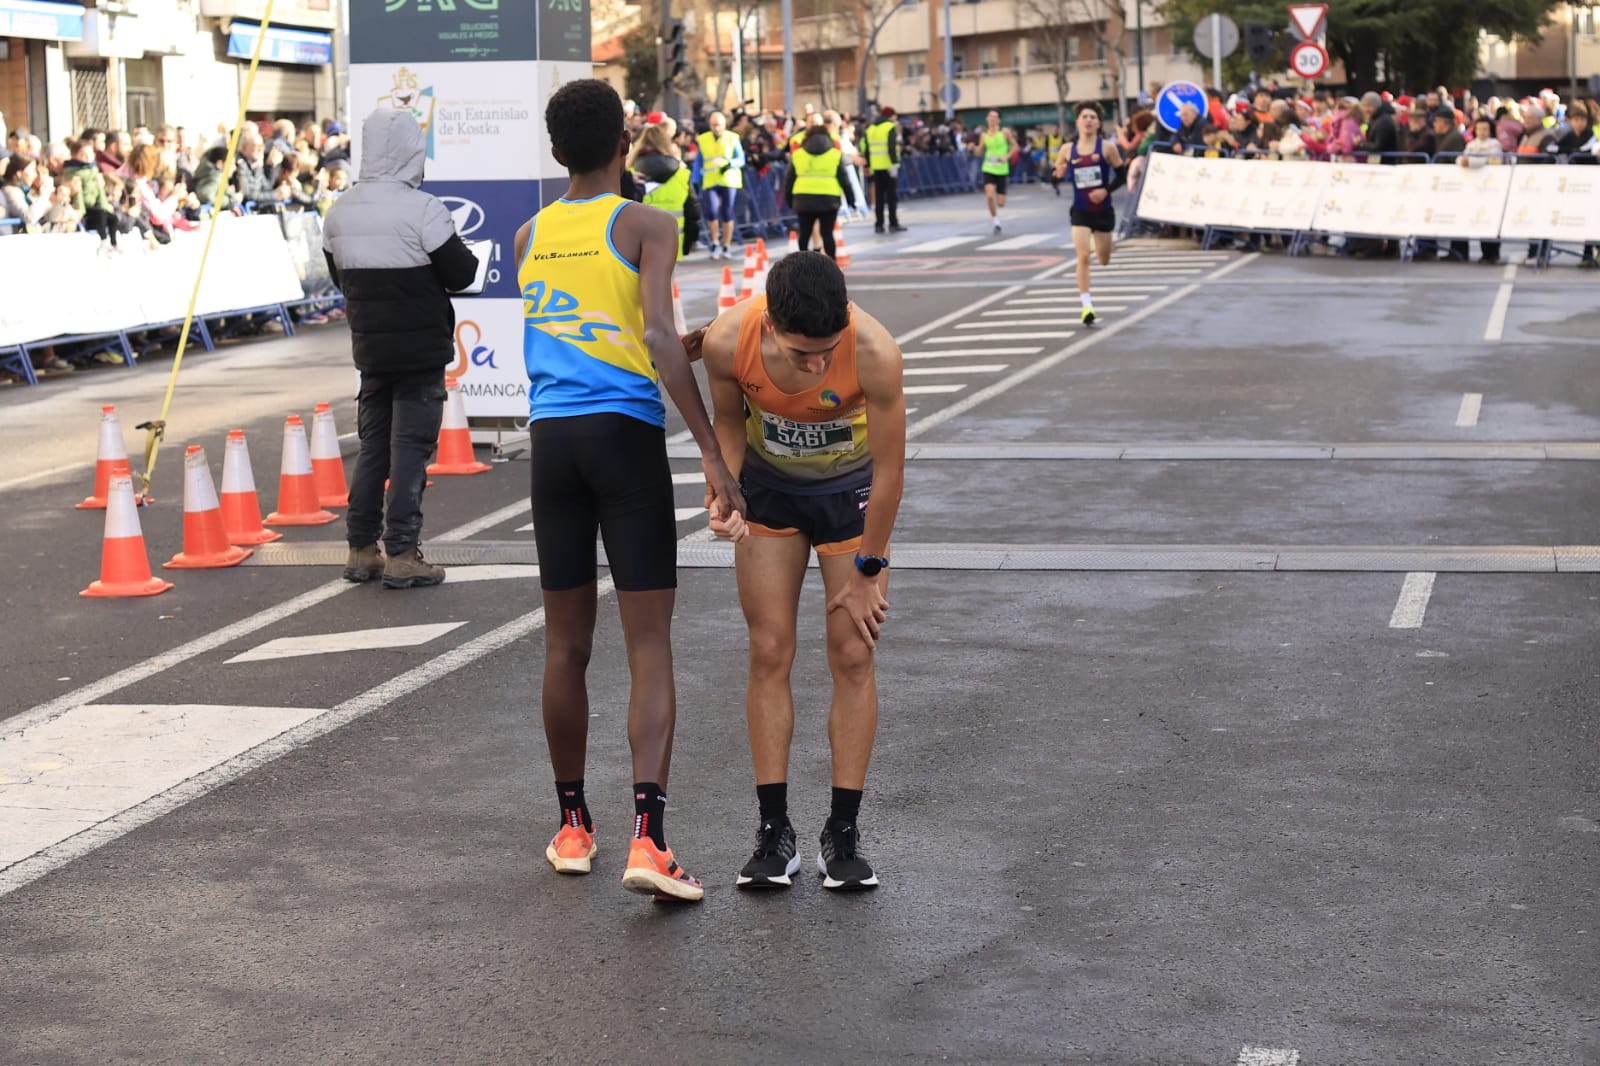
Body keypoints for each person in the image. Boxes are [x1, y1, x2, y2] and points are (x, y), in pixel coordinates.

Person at [514, 79, 744, 903]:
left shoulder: (527, 233)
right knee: (648, 643)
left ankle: (572, 825)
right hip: (624, 440)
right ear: (627, 142)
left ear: (555, 151)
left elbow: (588, 327)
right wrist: (715, 456)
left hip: (552, 446)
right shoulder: (647, 222)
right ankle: (649, 841)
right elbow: (648, 333)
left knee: (564, 645)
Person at [689, 250, 904, 892]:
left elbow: (892, 473)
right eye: (801, 353)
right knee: (769, 649)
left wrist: (869, 566)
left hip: (851, 500)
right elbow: (729, 427)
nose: (816, 365)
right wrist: (723, 491)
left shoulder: (874, 350)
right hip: (772, 494)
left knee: (853, 654)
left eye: (825, 351)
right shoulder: (729, 340)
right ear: (768, 324)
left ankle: (842, 832)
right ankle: (773, 831)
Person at [322, 110, 478, 589]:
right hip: (420, 352)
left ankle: (360, 548)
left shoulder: (340, 211)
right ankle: (404, 552)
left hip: (369, 349)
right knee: (410, 451)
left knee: (373, 449)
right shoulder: (423, 209)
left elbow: (338, 278)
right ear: (413, 150)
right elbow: (462, 273)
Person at [1054, 103, 1122, 326]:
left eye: (1093, 117)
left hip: (1103, 211)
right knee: (1083, 257)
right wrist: (1058, 172)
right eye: (1085, 116)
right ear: (1078, 122)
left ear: (1099, 123)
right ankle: (1086, 305)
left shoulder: (1107, 148)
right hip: (1081, 210)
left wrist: (1105, 190)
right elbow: (1055, 172)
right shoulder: (1067, 149)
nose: (1089, 120)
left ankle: (1098, 244)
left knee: (1103, 259)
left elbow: (1121, 175)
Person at [628, 113, 700, 259]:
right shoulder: (682, 174)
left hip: (637, 246)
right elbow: (693, 212)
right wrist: (688, 243)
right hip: (672, 243)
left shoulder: (629, 175)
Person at [785, 118, 858, 260]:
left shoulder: (798, 155)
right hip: (829, 199)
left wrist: (789, 200)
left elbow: (789, 180)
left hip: (803, 199)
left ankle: (802, 265)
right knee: (827, 234)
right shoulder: (835, 155)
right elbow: (844, 180)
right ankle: (831, 265)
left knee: (804, 234)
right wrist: (851, 201)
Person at [696, 110, 745, 259]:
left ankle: (727, 245)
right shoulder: (703, 139)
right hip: (710, 180)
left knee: (727, 212)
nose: (716, 128)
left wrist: (730, 163)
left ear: (725, 124)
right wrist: (695, 180)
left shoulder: (733, 137)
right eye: (713, 125)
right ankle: (715, 242)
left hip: (729, 179)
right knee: (711, 211)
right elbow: (699, 161)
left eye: (718, 125)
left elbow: (741, 159)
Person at [974, 110, 1018, 233]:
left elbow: (1015, 146)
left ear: (999, 120)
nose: (992, 119)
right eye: (990, 117)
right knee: (989, 195)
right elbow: (979, 152)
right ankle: (996, 221)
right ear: (987, 119)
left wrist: (1006, 157)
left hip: (1002, 169)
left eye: (995, 117)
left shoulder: (1005, 132)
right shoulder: (984, 135)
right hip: (988, 168)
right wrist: (973, 148)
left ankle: (1000, 202)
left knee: (1001, 203)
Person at [865, 107, 906, 234]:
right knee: (891, 197)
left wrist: (869, 164)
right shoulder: (889, 127)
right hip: (888, 166)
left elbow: (867, 149)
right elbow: (891, 147)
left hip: (876, 167)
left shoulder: (871, 128)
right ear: (890, 116)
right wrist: (894, 163)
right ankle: (893, 223)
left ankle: (879, 224)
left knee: (879, 198)